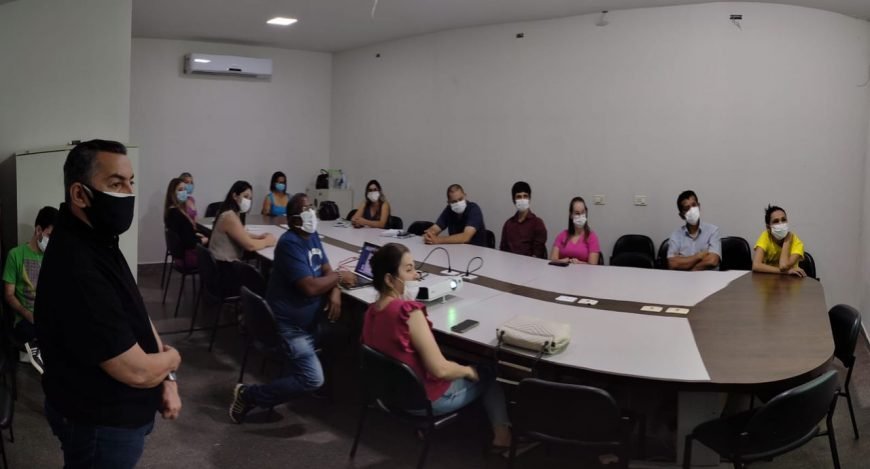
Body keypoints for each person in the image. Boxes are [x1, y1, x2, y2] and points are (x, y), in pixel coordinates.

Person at [35, 140, 181, 468]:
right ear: (79, 194)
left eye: (131, 182)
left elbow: (136, 311)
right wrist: (172, 360)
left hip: (119, 415)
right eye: (116, 184)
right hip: (101, 424)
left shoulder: (99, 239)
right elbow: (136, 371)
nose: (128, 193)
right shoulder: (77, 264)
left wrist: (167, 380)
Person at [361, 242, 512, 448]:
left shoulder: (371, 311)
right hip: (424, 401)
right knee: (489, 372)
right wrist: (469, 371)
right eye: (409, 270)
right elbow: (440, 370)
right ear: (389, 279)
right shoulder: (407, 312)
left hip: (389, 395)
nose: (416, 275)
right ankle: (503, 437)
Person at [230, 193, 357, 423]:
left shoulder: (312, 235)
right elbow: (310, 287)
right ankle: (248, 395)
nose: (312, 213)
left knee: (347, 328)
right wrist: (339, 277)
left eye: (311, 208)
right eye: (306, 209)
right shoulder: (289, 244)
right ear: (292, 219)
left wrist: (336, 287)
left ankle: (324, 380)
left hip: (312, 320)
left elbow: (326, 269)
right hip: (290, 327)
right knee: (312, 378)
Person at [3, 206, 58, 373]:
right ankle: (39, 350)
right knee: (35, 329)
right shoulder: (16, 255)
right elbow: (9, 295)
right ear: (38, 230)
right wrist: (27, 314)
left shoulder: (53, 258)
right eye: (50, 235)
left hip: (48, 315)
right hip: (26, 319)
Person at [666, 190, 721, 271]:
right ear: (681, 215)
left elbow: (712, 261)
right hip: (683, 278)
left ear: (699, 206)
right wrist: (699, 256)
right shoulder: (676, 235)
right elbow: (672, 263)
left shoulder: (713, 231)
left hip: (709, 277)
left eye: (694, 205)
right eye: (686, 208)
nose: (692, 210)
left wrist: (687, 266)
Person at [164, 178, 208, 269]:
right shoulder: (177, 215)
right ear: (172, 193)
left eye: (185, 189)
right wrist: (204, 240)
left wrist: (195, 235)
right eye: (180, 190)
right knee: (217, 255)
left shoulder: (171, 211)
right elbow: (189, 243)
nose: (184, 192)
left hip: (180, 257)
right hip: (189, 258)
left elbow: (183, 234)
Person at [423, 184, 487, 247]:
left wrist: (438, 240)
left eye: (460, 199)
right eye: (454, 202)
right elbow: (435, 228)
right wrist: (428, 235)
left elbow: (465, 237)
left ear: (465, 196)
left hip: (476, 250)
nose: (458, 203)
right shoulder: (449, 210)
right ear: (449, 202)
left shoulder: (473, 209)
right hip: (455, 249)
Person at [752, 204, 806, 277]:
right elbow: (756, 265)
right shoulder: (766, 236)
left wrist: (787, 241)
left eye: (783, 220)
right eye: (776, 221)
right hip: (768, 279)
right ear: (768, 227)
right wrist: (785, 272)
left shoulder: (796, 242)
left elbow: (783, 266)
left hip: (790, 280)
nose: (781, 224)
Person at [500, 181, 547, 258]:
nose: (522, 199)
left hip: (530, 264)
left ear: (529, 199)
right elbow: (502, 251)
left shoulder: (538, 223)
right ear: (513, 200)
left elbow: (537, 253)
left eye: (525, 196)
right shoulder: (508, 224)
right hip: (509, 262)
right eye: (519, 197)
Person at [550, 196, 600, 264]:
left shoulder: (592, 237)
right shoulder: (562, 235)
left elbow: (593, 265)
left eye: (583, 212)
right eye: (577, 213)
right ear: (571, 215)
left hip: (584, 271)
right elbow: (552, 260)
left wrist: (579, 263)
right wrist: (564, 261)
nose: (580, 216)